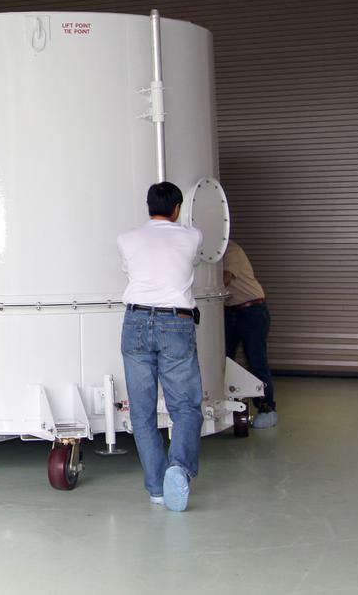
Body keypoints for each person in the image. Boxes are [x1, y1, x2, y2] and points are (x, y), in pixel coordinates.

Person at [118, 182, 204, 512]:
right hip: (175, 322)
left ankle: (156, 488)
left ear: (147, 206)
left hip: (135, 322)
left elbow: (132, 270)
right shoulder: (192, 236)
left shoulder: (126, 239)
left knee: (142, 412)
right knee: (184, 407)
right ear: (178, 208)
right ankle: (178, 469)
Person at [223, 240, 277, 428]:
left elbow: (225, 279)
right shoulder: (207, 256)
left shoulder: (231, 250)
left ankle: (267, 409)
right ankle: (228, 404)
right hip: (229, 311)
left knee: (256, 361)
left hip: (252, 310)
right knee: (223, 360)